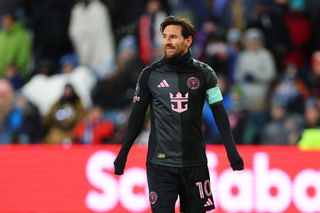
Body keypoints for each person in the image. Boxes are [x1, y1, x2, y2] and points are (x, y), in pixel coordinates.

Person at [114, 15, 244, 213]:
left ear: (188, 40)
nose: (167, 41)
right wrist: (123, 154)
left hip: (195, 164)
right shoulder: (150, 75)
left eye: (173, 37)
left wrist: (232, 152)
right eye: (165, 36)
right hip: (160, 165)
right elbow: (137, 117)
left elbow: (220, 114)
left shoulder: (205, 74)